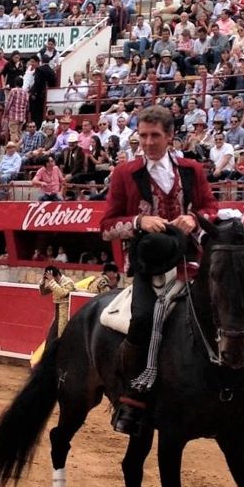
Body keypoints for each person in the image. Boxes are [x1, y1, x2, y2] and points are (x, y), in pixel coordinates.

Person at [99, 105, 218, 435]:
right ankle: (132, 400)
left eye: (155, 136)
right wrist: (138, 221)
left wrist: (194, 218)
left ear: (170, 137)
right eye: (143, 136)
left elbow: (211, 207)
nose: (148, 143)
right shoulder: (125, 173)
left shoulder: (192, 170)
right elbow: (106, 226)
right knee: (141, 319)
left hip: (190, 263)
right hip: (147, 267)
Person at [39, 265, 76, 343]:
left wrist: (52, 281)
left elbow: (62, 293)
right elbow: (43, 292)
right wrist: (43, 281)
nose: (50, 281)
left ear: (56, 275)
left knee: (62, 335)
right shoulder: (55, 282)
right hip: (58, 314)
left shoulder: (68, 282)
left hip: (67, 314)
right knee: (52, 335)